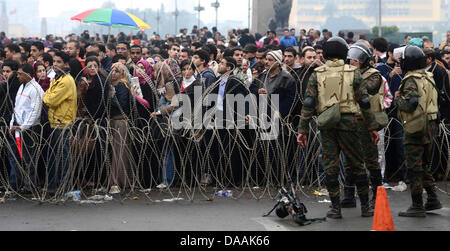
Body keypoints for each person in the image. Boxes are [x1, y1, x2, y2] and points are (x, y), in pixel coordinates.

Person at [297, 37, 380, 219]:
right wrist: (372, 127)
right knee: (357, 163)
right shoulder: (353, 72)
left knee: (330, 164)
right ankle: (366, 207)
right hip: (350, 122)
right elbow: (364, 101)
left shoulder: (317, 73)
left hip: (327, 123)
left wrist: (302, 130)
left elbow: (309, 103)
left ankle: (335, 208)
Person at [395, 45, 443, 217]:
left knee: (414, 166)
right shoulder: (428, 77)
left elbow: (411, 103)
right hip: (431, 125)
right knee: (423, 163)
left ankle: (417, 205)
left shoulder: (410, 80)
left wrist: (398, 99)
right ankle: (432, 198)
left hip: (416, 126)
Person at [341, 42, 386, 209]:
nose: (352, 61)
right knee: (349, 160)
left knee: (371, 161)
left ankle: (377, 196)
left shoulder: (374, 75)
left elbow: (366, 90)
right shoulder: (348, 74)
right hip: (351, 122)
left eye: (356, 59)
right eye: (351, 58)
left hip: (367, 123)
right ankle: (348, 195)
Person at [43, 51, 77, 193]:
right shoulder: (57, 79)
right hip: (55, 122)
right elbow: (48, 96)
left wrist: (47, 96)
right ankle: (54, 186)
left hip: (63, 123)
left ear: (66, 64)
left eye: (59, 62)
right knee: (55, 156)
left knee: (63, 157)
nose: (55, 64)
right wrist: (48, 95)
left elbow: (50, 100)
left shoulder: (66, 81)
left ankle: (65, 185)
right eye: (54, 62)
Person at [8, 64, 44, 193]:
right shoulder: (21, 87)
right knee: (17, 157)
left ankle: (30, 186)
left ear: (28, 74)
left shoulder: (36, 89)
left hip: (29, 129)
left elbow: (35, 112)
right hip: (17, 128)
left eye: (20, 74)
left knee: (29, 158)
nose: (17, 76)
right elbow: (16, 108)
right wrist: (12, 125)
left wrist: (23, 127)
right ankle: (17, 185)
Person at [108, 63, 133, 194]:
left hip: (120, 121)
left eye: (117, 71)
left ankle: (116, 182)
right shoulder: (115, 85)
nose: (113, 73)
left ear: (122, 73)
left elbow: (121, 104)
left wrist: (110, 98)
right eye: (112, 71)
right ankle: (121, 180)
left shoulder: (122, 85)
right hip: (115, 121)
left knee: (119, 152)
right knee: (118, 151)